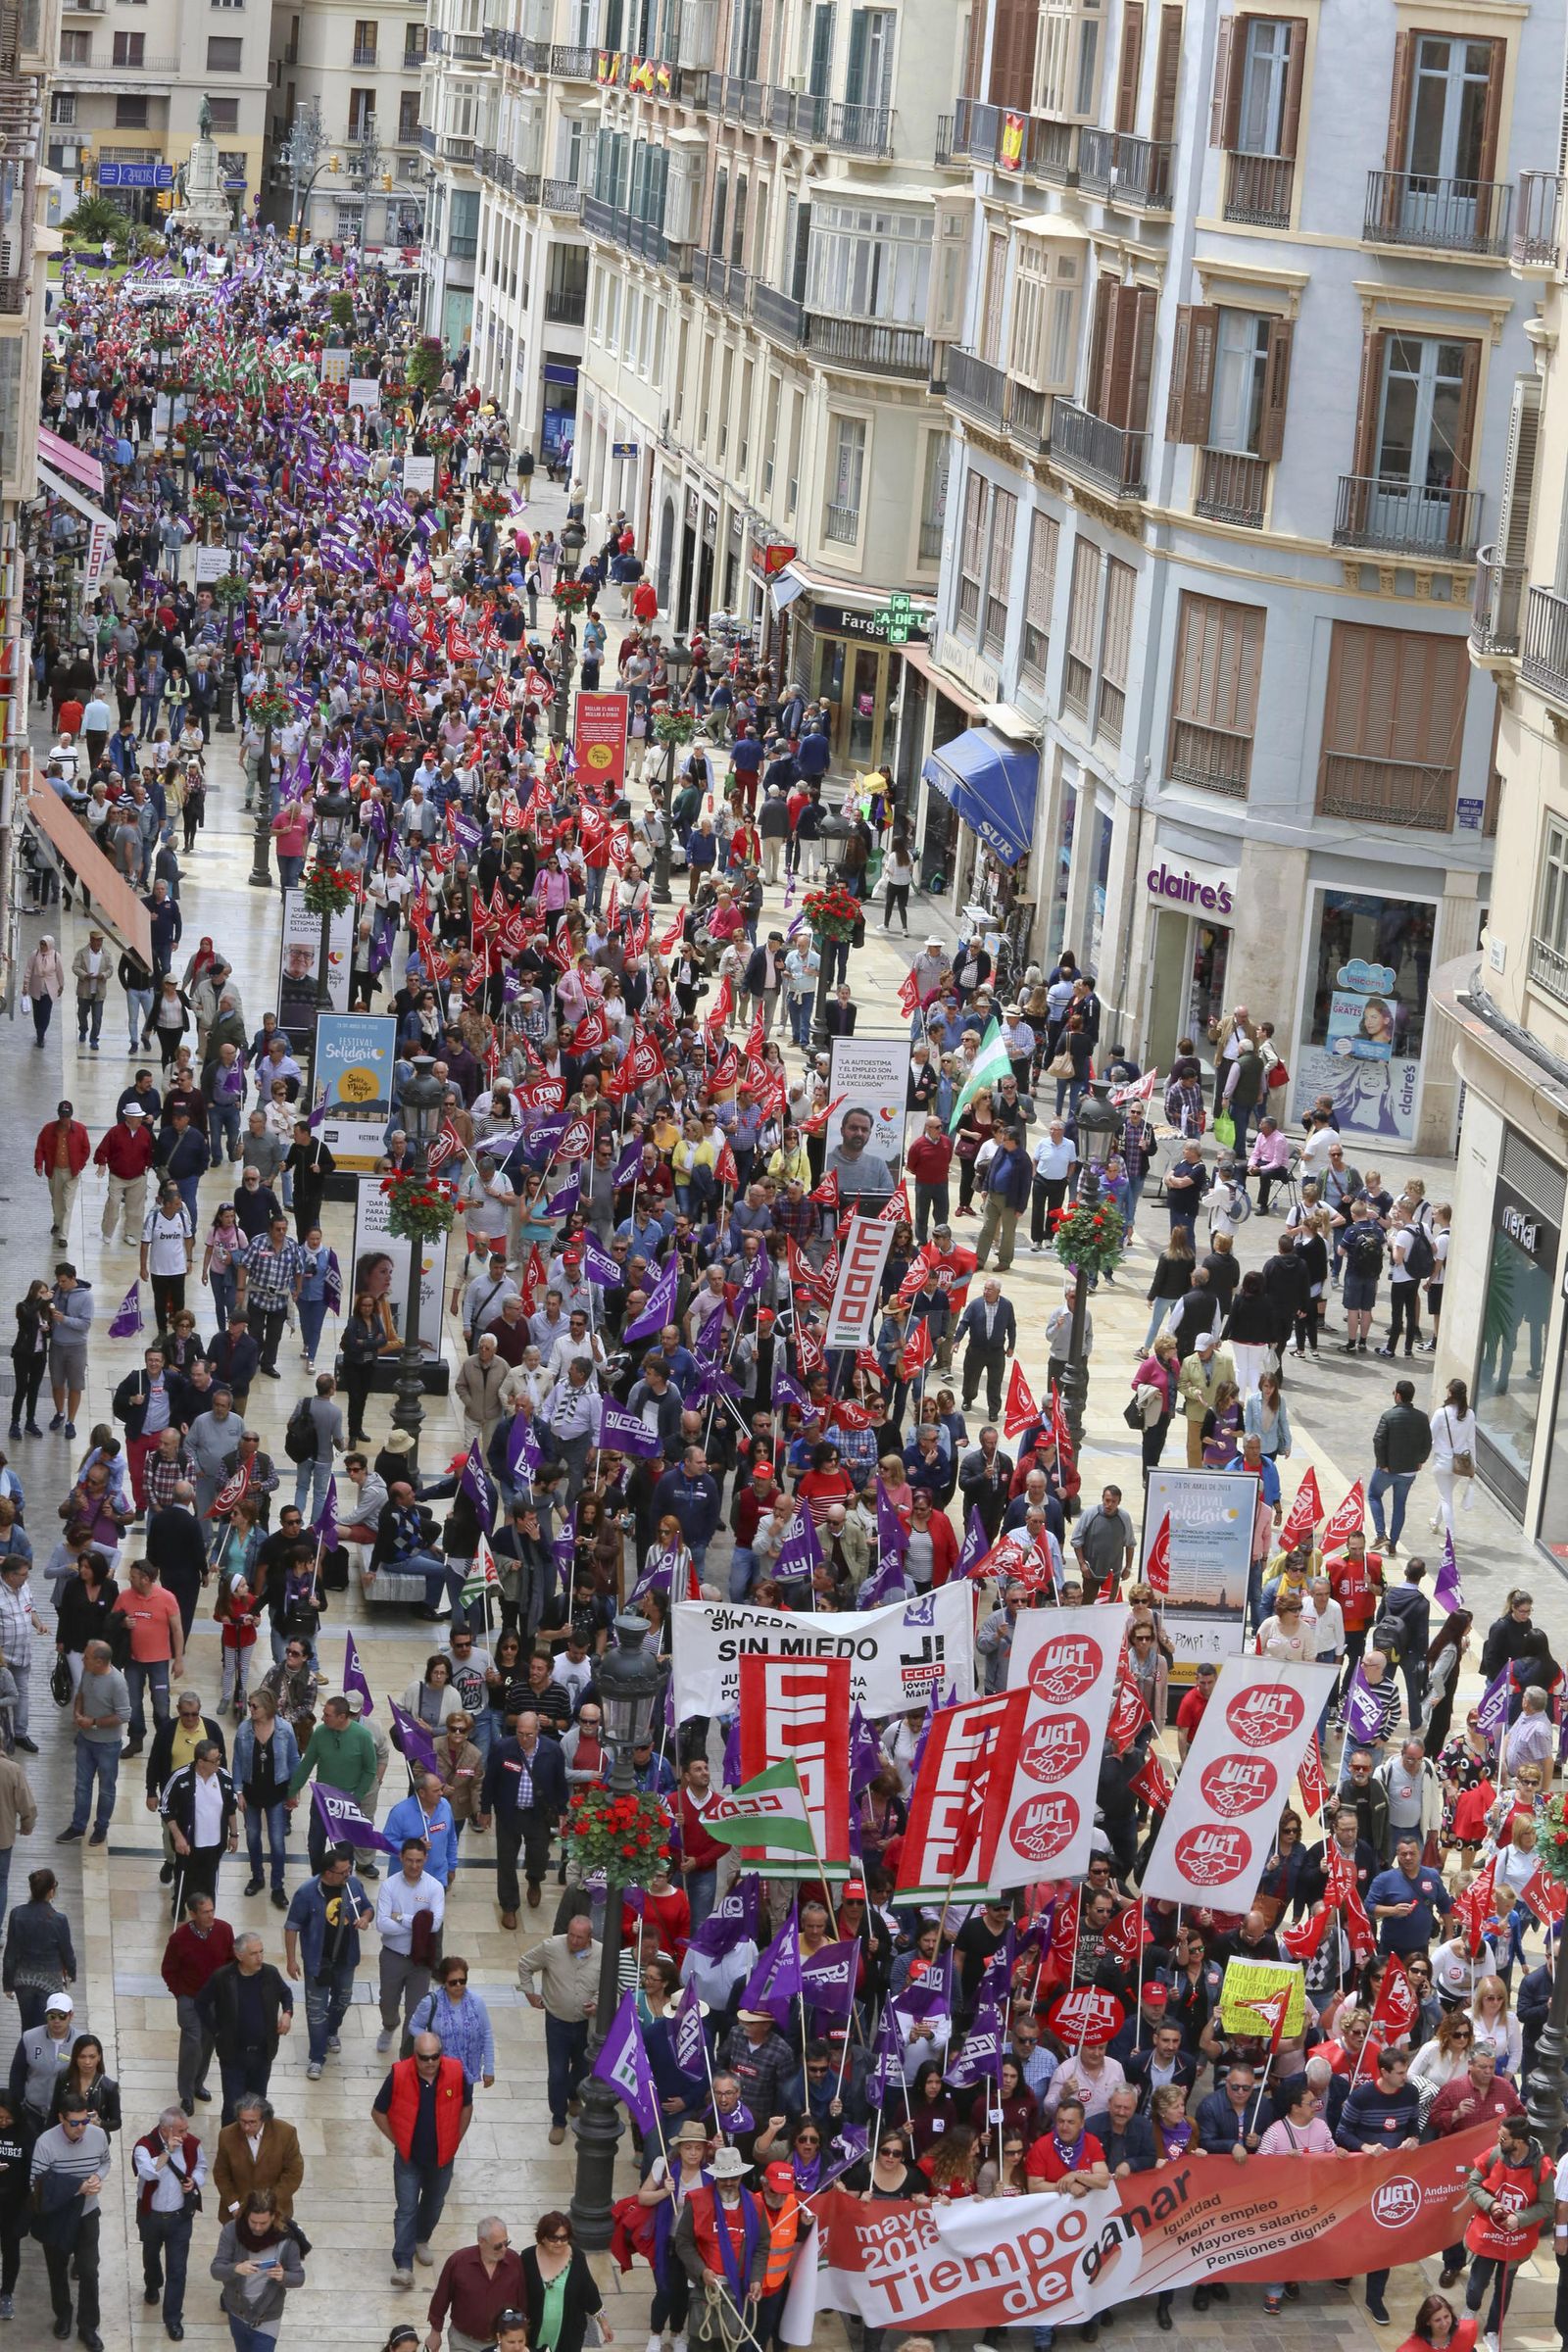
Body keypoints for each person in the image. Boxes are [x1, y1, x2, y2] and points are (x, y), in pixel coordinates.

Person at [371, 2032, 473, 2290]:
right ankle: (403, 2265)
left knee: (434, 2202)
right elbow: (378, 2111)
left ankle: (421, 2239)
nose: (430, 2062)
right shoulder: (399, 2074)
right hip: (409, 2158)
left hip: (442, 2157)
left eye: (434, 2056)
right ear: (414, 2055)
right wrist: (397, 2140)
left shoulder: (456, 2072)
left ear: (441, 2053)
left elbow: (466, 2106)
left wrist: (455, 2139)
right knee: (406, 2209)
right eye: (424, 2057)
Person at [283, 1842, 373, 2082]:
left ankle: (332, 2030)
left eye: (349, 1870)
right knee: (315, 2011)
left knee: (343, 2000)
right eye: (343, 1872)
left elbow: (367, 1908)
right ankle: (316, 2056)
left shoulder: (353, 1885)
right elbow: (292, 1927)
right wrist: (291, 1960)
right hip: (317, 1961)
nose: (348, 1875)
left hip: (346, 1958)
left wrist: (365, 1919)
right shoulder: (306, 1892)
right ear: (327, 1873)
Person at [29, 2091, 110, 2351]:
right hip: (57, 2217)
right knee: (57, 2268)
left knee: (88, 2270)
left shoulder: (97, 2136)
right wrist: (78, 2187)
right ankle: (63, 2314)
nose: (80, 2129)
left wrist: (98, 2176)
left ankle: (88, 2326)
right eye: (73, 2123)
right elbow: (37, 2183)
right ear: (60, 2118)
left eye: (84, 2121)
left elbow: (105, 2161)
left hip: (87, 2214)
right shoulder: (45, 2143)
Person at [195, 1931, 294, 2124]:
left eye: (261, 1952)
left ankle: (255, 2146)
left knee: (257, 2105)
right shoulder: (223, 1977)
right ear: (239, 1955)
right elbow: (201, 2003)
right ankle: (229, 2147)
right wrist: (216, 2031)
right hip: (233, 2055)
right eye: (253, 1953)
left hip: (263, 2053)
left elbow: (286, 1993)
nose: (259, 1957)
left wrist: (287, 2013)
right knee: (233, 2106)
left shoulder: (270, 1974)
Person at [518, 1913, 599, 2144]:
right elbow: (525, 1964)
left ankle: (574, 2095)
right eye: (571, 1935)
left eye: (579, 1938)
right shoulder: (551, 1947)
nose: (573, 1941)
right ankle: (558, 2119)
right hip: (557, 2023)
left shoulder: (602, 1953)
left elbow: (607, 1983)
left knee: (583, 2067)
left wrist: (597, 2001)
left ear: (589, 1938)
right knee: (557, 2072)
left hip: (586, 2023)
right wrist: (530, 1993)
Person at [133, 2101, 206, 2340]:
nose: (185, 2135)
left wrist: (193, 2181)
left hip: (179, 2218)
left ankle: (173, 2318)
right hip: (151, 2216)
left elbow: (202, 2167)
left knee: (178, 2270)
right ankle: (152, 2282)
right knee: (151, 2256)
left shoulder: (193, 2144)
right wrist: (167, 2153)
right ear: (165, 2130)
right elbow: (147, 2172)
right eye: (180, 2131)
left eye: (186, 2129)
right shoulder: (144, 2146)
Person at [160, 1888, 235, 2117]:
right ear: (192, 1914)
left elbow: (231, 1961)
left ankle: (198, 2083)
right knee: (192, 2042)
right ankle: (186, 2093)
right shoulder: (179, 1938)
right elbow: (168, 1969)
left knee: (208, 2041)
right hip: (190, 1998)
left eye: (212, 1910)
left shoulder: (224, 1930)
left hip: (214, 1999)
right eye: (204, 1912)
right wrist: (179, 1993)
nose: (210, 1916)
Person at [211, 2184, 305, 2352]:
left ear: (274, 2217)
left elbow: (299, 2277)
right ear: (246, 2215)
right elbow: (216, 2270)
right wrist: (236, 2269)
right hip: (237, 2311)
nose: (257, 2227)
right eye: (253, 2221)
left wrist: (283, 2276)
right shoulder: (232, 2231)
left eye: (263, 2223)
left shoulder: (287, 2239)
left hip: (268, 2316)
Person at [425, 2214, 525, 2352]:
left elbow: (523, 2300)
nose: (504, 2249)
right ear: (481, 2241)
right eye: (498, 2246)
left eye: (506, 2243)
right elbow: (441, 2298)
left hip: (501, 2344)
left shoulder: (514, 2261)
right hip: (464, 2342)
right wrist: (435, 2333)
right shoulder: (458, 2262)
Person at [212, 2094, 304, 2232]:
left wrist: (269, 2206)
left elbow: (293, 2173)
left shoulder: (286, 2133)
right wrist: (234, 2205)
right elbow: (221, 2174)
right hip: (237, 2214)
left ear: (264, 2118)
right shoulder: (227, 2135)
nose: (246, 2128)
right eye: (243, 2122)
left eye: (252, 2122)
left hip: (275, 2214)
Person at [519, 2214, 608, 2352]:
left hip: (568, 2333)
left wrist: (604, 2324)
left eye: (564, 2238)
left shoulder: (577, 2257)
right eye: (553, 2238)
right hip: (533, 2332)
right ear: (542, 2237)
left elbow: (589, 2292)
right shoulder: (527, 2257)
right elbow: (516, 2291)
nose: (559, 2242)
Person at [2, 1866, 74, 2028]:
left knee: (27, 2028)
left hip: (23, 1980)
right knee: (47, 2028)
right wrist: (72, 1973)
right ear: (51, 1891)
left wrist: (7, 1983)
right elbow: (67, 1952)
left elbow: (11, 1952)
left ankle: (27, 2053)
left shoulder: (17, 1914)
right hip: (51, 1981)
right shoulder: (59, 1920)